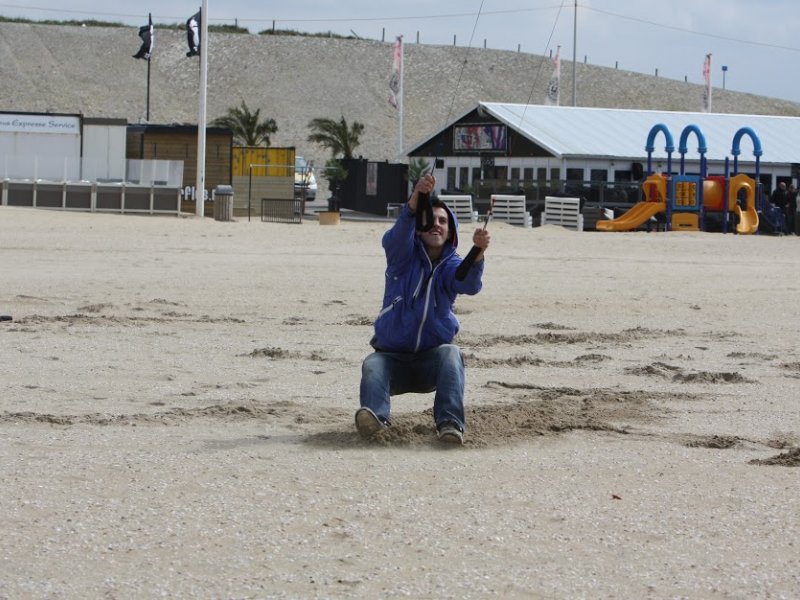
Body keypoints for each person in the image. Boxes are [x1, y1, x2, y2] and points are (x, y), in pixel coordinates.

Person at [356, 173, 491, 445]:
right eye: (431, 220)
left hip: (432, 360)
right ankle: (376, 421)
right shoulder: (401, 258)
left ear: (451, 232)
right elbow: (395, 237)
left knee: (452, 353)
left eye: (443, 221)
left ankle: (450, 424)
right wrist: (416, 199)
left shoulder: (452, 264)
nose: (437, 225)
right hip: (392, 358)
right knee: (372, 364)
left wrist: (478, 252)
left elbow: (467, 283)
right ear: (418, 228)